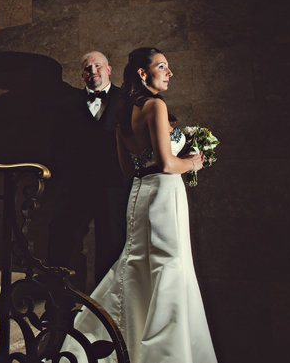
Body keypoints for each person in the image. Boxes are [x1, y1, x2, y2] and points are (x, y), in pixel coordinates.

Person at [60, 47, 217, 362]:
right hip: (164, 195)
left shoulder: (121, 113)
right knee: (168, 267)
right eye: (162, 66)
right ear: (143, 74)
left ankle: (113, 339)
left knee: (138, 265)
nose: (169, 73)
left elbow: (128, 169)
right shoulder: (156, 106)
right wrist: (194, 163)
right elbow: (168, 164)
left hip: (140, 194)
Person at [47, 51, 132, 290]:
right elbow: (56, 144)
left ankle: (102, 312)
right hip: (76, 186)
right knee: (60, 239)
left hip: (114, 186)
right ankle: (57, 302)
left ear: (109, 69)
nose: (92, 71)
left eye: (97, 66)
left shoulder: (127, 100)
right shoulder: (67, 104)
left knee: (112, 245)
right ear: (82, 74)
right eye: (87, 68)